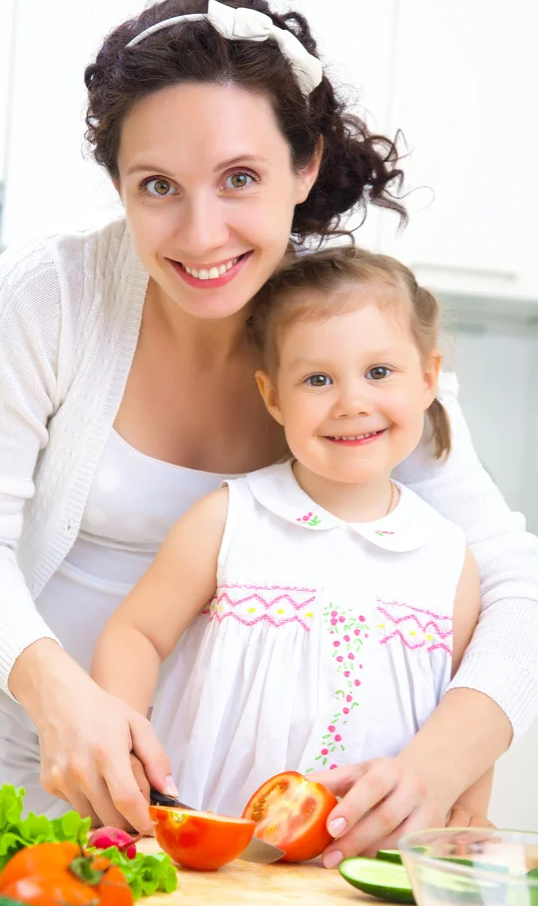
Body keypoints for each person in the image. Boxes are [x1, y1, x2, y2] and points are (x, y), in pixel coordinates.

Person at [0, 0, 536, 867]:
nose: (201, 234)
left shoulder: (347, 342)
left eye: (240, 178)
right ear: (117, 182)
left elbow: (516, 584)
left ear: (303, 166)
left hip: (207, 795)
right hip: (10, 746)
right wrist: (62, 696)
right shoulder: (51, 294)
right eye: (156, 185)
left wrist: (442, 760)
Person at [91, 246, 494, 849]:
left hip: (364, 862)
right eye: (317, 379)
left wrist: (464, 810)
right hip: (213, 846)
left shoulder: (448, 560)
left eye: (379, 372)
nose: (352, 402)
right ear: (273, 396)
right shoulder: (230, 519)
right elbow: (137, 634)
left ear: (429, 379)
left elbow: (468, 708)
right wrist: (122, 749)